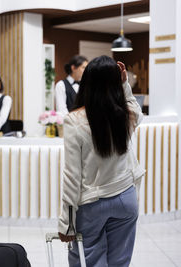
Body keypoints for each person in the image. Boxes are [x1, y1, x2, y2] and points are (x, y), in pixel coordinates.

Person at [58, 56, 145, 267]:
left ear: (86, 83)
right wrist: (124, 84)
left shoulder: (74, 120)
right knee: (119, 263)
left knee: (88, 261)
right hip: (126, 197)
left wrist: (66, 222)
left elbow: (72, 175)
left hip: (92, 203)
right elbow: (136, 107)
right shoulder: (126, 115)